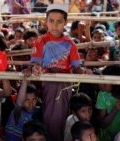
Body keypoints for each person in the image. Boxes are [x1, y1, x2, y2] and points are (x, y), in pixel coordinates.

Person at [30, 4, 92, 141]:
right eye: (51, 21)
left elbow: (77, 68)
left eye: (59, 22)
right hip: (48, 84)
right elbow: (37, 63)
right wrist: (36, 68)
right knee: (48, 116)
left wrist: (84, 72)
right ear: (46, 22)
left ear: (65, 23)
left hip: (64, 85)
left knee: (61, 116)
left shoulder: (70, 44)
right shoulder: (40, 41)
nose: (54, 25)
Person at [96, 65, 120, 141]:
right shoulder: (102, 95)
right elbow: (103, 124)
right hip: (107, 137)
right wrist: (115, 109)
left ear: (116, 83)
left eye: (105, 82)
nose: (100, 83)